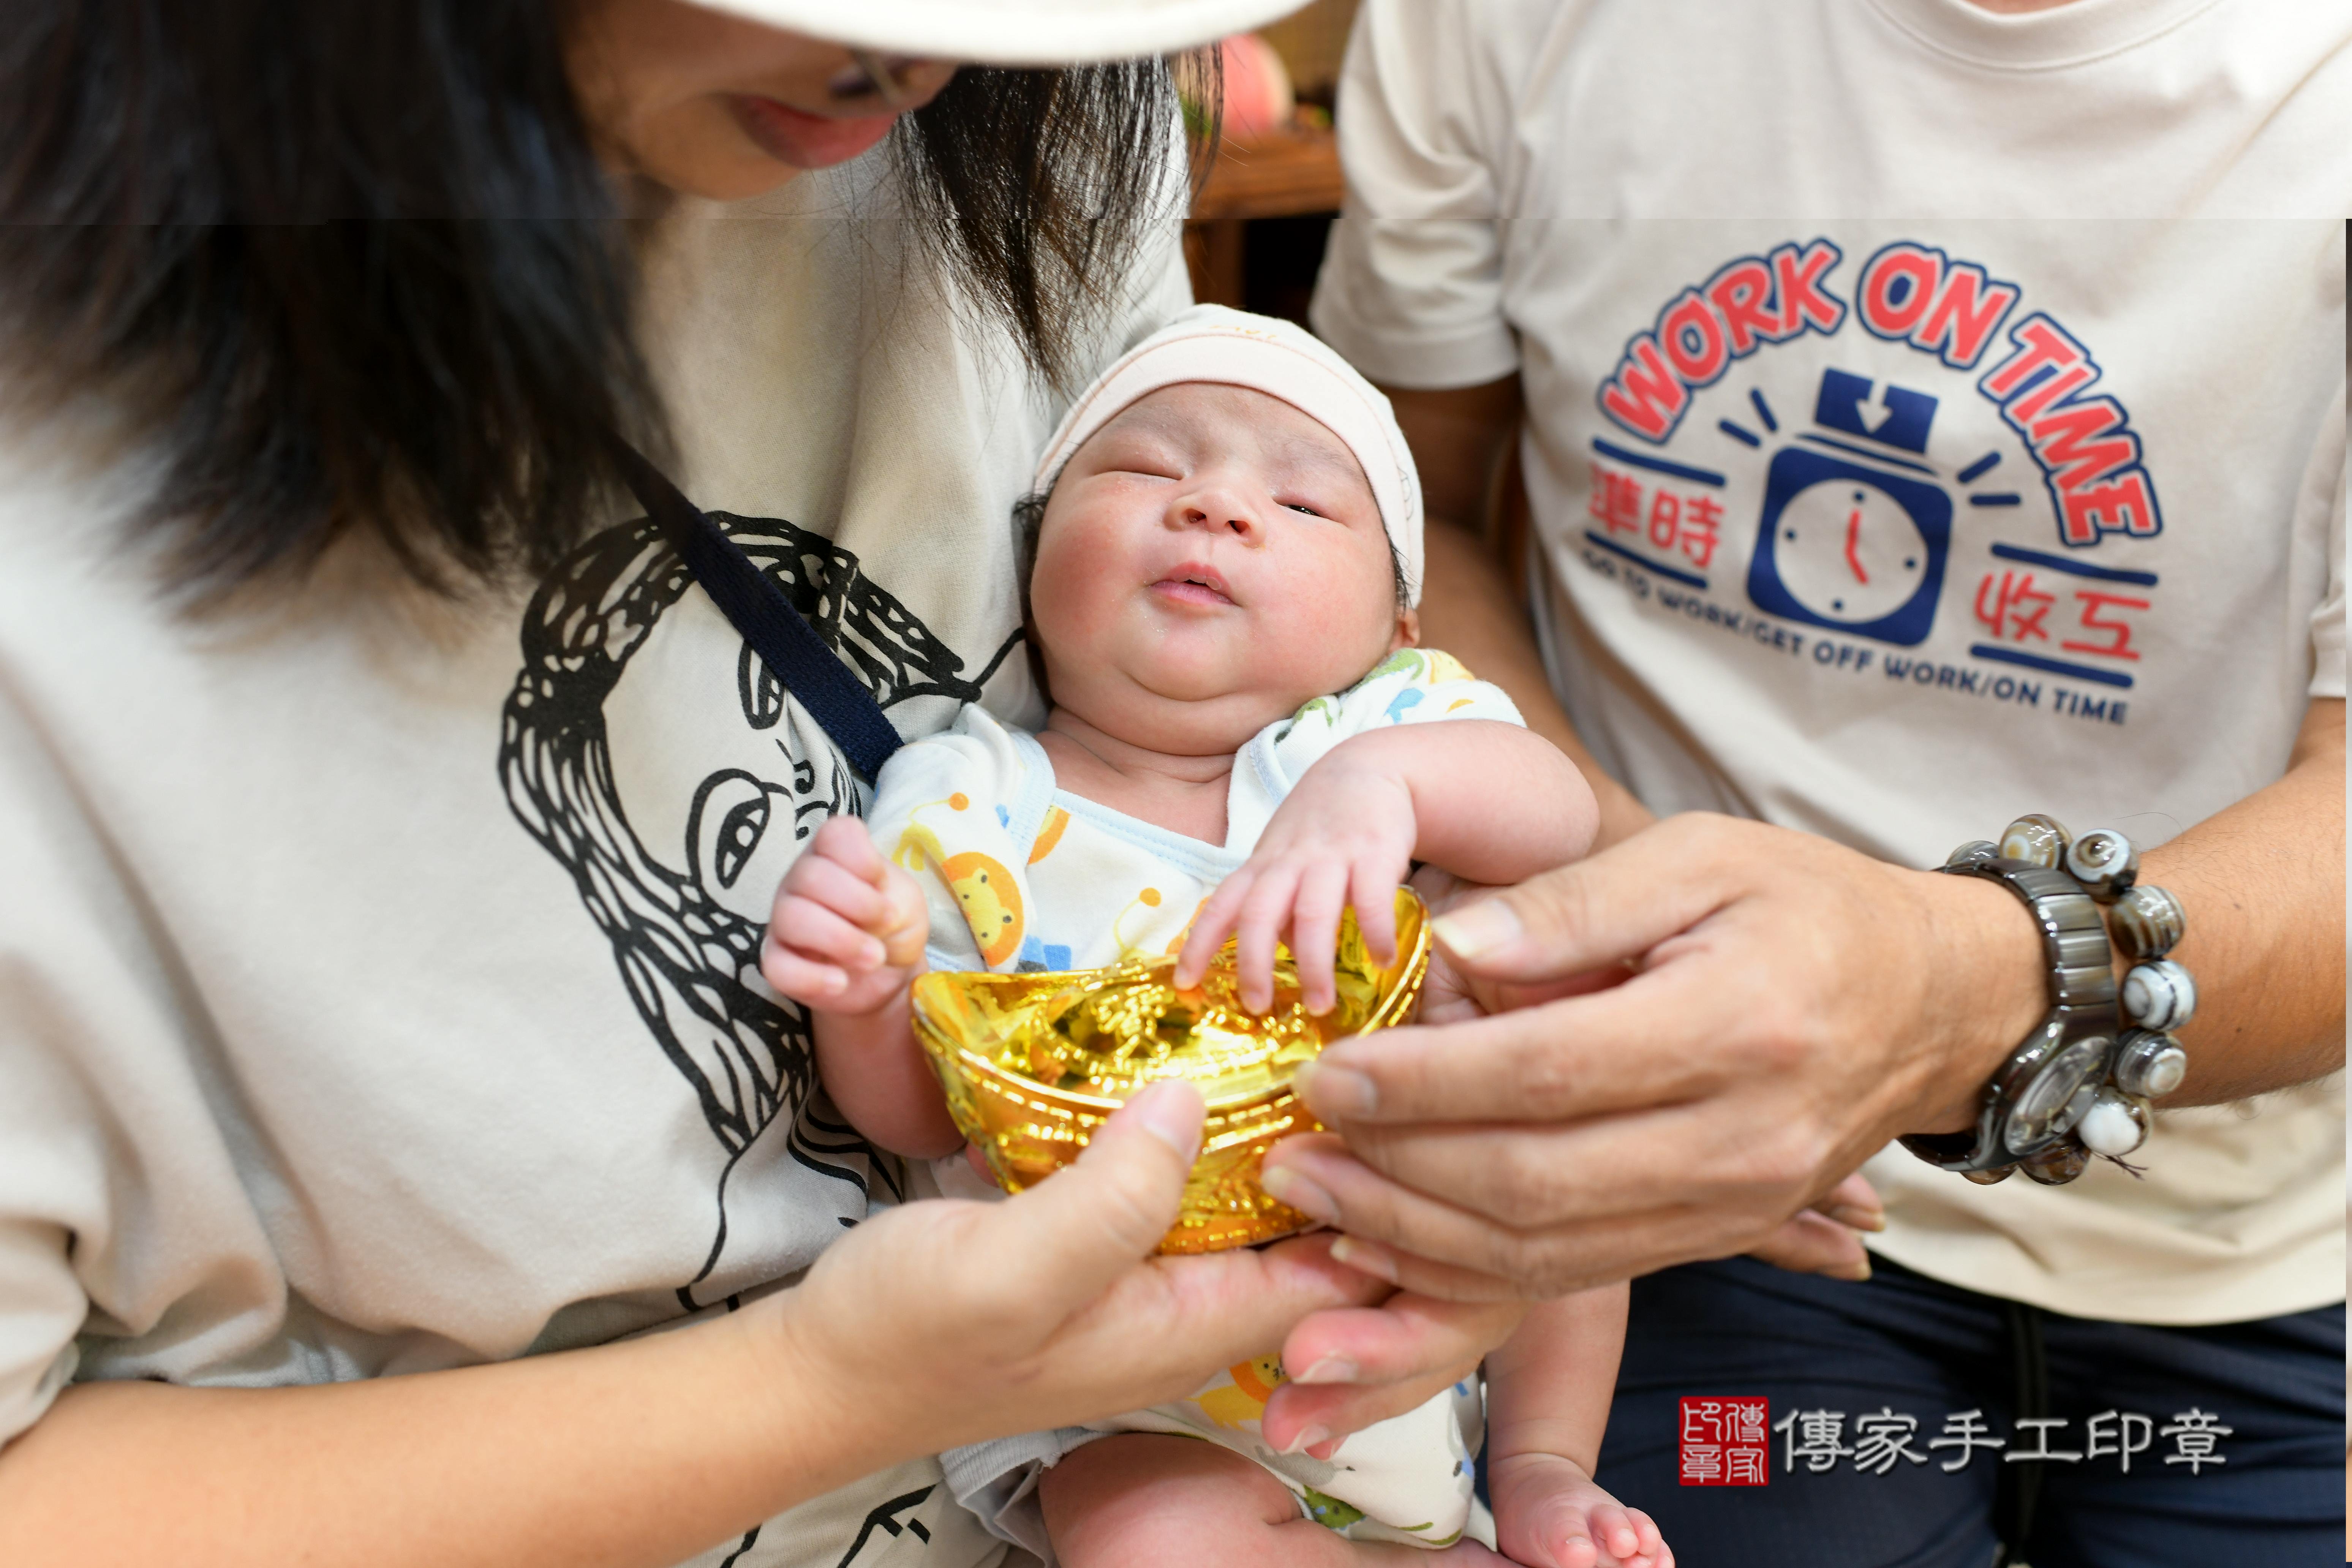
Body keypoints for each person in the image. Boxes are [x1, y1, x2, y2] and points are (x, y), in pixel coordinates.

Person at [0, 4, 1528, 1565]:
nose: (920, 63)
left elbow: (1388, 683)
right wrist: (827, 1384)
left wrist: (1693, 927)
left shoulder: (1034, 91)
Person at [1265, 0, 2348, 1562]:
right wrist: (1629, 889)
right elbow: (1413, 503)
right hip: (1676, 1193)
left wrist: (1933, 994)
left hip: (2255, 1225)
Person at [763, 306, 1668, 1568]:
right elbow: (920, 1123)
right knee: (1148, 1539)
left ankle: (1541, 1465)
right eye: (1147, 470)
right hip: (1122, 1385)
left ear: (1397, 622)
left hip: (1425, 1272)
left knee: (1568, 1155)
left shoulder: (1386, 723)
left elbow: (1559, 820)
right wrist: (860, 997)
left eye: (1304, 508)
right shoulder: (971, 803)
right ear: (1030, 557)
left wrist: (1387, 791)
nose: (1219, 509)